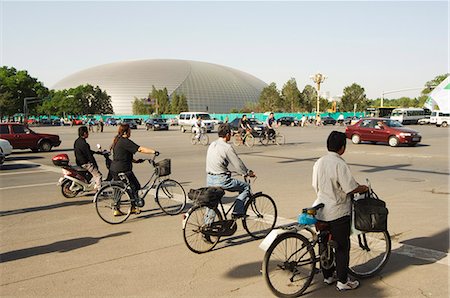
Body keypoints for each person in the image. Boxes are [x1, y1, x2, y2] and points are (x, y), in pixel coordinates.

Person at [311, 131, 369, 291]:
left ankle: (328, 276)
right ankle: (343, 281)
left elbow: (314, 185)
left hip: (321, 210)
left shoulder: (319, 162)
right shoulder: (340, 164)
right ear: (342, 148)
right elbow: (350, 188)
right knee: (342, 247)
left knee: (324, 244)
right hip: (338, 212)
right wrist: (362, 187)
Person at [206, 124, 255, 217]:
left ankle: (207, 226)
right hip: (221, 179)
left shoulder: (212, 144)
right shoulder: (227, 147)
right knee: (246, 187)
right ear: (228, 134)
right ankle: (237, 212)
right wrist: (247, 172)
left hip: (209, 178)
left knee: (212, 203)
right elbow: (238, 164)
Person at [109, 123, 159, 215]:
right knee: (135, 186)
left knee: (118, 188)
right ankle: (133, 207)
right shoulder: (125, 141)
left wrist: (136, 161)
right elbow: (140, 149)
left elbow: (122, 155)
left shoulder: (117, 140)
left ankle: (116, 209)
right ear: (126, 131)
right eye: (130, 130)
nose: (130, 132)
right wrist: (153, 151)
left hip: (114, 168)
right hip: (123, 169)